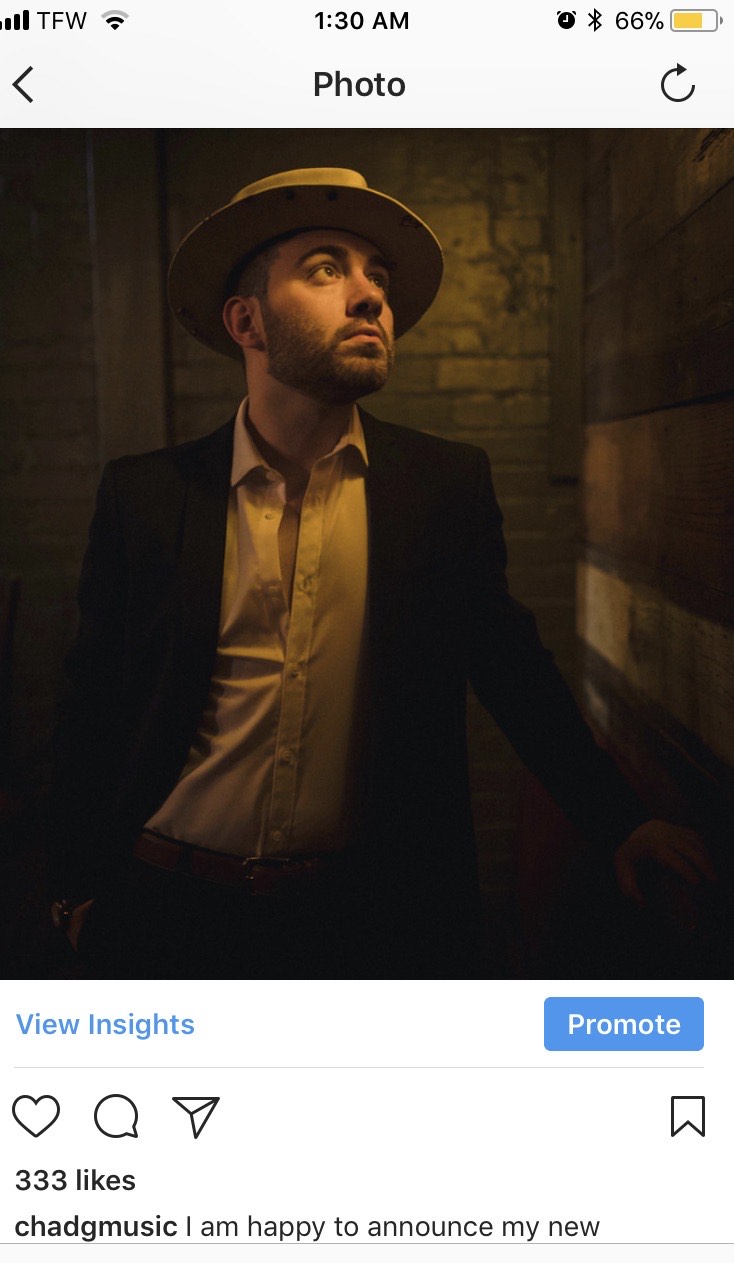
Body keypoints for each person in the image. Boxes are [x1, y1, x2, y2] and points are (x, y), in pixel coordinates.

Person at [49, 167, 714, 978]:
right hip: (169, 914)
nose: (369, 297)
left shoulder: (442, 486)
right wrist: (70, 893)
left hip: (371, 924)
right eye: (326, 269)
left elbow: (512, 669)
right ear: (246, 320)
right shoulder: (148, 496)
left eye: (379, 278)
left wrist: (622, 823)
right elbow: (91, 707)